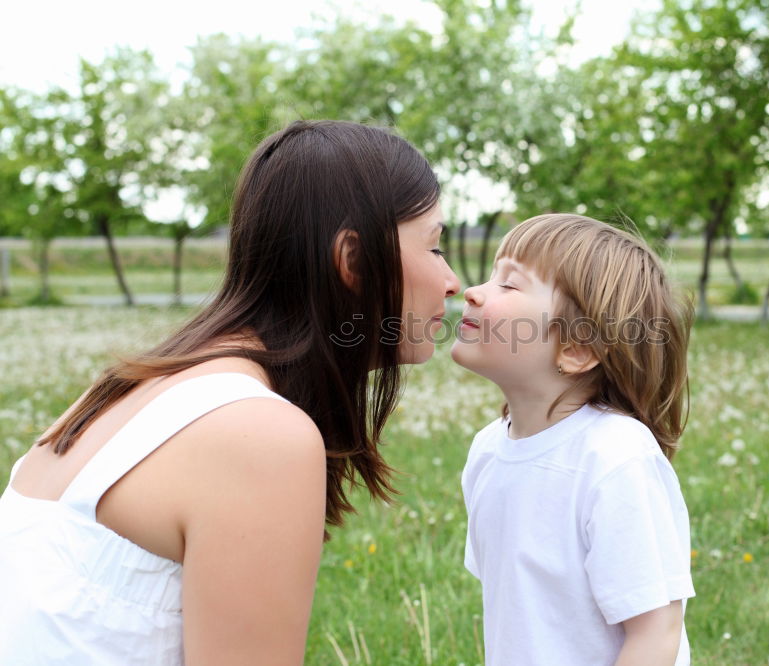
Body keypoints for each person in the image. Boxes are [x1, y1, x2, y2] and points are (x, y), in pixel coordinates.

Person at [0, 120, 460, 665]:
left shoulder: (129, 389)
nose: (453, 280)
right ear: (353, 261)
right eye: (433, 246)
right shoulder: (259, 433)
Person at [453, 213, 696, 666]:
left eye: (509, 284)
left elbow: (655, 635)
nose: (473, 291)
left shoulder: (615, 457)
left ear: (577, 348)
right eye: (491, 275)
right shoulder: (488, 451)